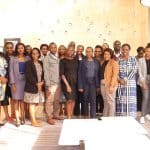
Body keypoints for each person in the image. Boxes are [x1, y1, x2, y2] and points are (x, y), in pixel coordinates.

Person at [9, 43, 30, 127]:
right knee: (16, 101)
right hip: (16, 82)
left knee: (22, 101)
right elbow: (10, 71)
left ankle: (23, 117)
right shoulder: (13, 59)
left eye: (22, 48)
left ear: (24, 49)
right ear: (16, 49)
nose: (20, 49)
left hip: (25, 81)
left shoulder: (27, 58)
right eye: (18, 48)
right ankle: (17, 119)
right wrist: (12, 83)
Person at [24, 48, 44, 127]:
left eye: (37, 53)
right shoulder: (28, 63)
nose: (35, 55)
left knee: (36, 103)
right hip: (32, 86)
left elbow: (43, 73)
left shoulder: (41, 62)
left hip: (40, 86)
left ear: (39, 54)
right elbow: (28, 75)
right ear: (31, 55)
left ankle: (34, 118)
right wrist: (37, 84)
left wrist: (42, 82)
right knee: (32, 103)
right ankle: (33, 121)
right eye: (33, 53)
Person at [43, 42, 63, 125]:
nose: (53, 49)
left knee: (57, 100)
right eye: (52, 47)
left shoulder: (57, 57)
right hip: (51, 83)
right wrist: (47, 84)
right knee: (49, 101)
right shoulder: (47, 58)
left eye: (55, 47)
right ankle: (49, 117)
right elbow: (46, 71)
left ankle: (55, 114)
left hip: (58, 82)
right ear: (49, 49)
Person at [78, 47, 100, 118]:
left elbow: (98, 74)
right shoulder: (82, 62)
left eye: (90, 51)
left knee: (93, 100)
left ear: (92, 52)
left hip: (93, 83)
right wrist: (80, 86)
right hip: (85, 83)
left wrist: (98, 86)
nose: (88, 53)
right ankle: (86, 115)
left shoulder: (96, 61)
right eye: (87, 52)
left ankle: (93, 116)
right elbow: (79, 74)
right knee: (85, 99)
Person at [116, 44, 137, 117]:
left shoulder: (133, 59)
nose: (125, 51)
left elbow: (134, 70)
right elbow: (115, 71)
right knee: (121, 100)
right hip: (120, 83)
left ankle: (131, 117)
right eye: (123, 49)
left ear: (129, 50)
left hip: (130, 84)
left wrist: (125, 79)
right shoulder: (118, 60)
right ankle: (121, 116)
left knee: (130, 101)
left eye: (126, 49)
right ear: (121, 50)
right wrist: (119, 79)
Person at [60, 46, 78, 119]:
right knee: (69, 100)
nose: (70, 52)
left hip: (75, 82)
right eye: (69, 50)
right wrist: (67, 85)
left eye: (72, 50)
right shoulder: (62, 61)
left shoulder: (75, 60)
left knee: (73, 99)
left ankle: (71, 114)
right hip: (67, 82)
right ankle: (68, 116)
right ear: (66, 51)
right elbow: (62, 74)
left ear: (74, 52)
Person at [100, 48, 119, 116]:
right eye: (105, 54)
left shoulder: (114, 62)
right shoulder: (103, 62)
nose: (106, 55)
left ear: (111, 55)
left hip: (110, 85)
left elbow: (115, 75)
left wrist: (111, 86)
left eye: (107, 54)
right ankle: (105, 117)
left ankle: (111, 119)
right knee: (105, 101)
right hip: (103, 84)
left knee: (111, 102)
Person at [138, 45, 150, 123]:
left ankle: (147, 114)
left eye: (149, 51)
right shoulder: (141, 60)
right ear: (144, 52)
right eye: (147, 51)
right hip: (144, 80)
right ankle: (142, 116)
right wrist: (143, 82)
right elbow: (139, 72)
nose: (148, 53)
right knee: (145, 97)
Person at [74, 45, 85, 116]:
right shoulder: (73, 57)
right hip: (75, 80)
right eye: (78, 49)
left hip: (83, 80)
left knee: (83, 97)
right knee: (76, 98)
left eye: (81, 49)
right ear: (76, 49)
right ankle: (76, 113)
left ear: (83, 50)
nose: (79, 50)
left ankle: (84, 112)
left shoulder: (85, 58)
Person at [94, 45, 104, 115]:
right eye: (96, 51)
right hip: (93, 81)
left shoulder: (104, 60)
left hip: (102, 80)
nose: (97, 52)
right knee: (95, 97)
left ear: (101, 52)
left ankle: (101, 111)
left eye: (99, 51)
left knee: (102, 96)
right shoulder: (92, 59)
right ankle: (95, 111)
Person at [0, 52, 8, 125]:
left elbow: (7, 68)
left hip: (3, 82)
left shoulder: (3, 57)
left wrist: (6, 78)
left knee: (2, 99)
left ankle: (2, 118)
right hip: (1, 79)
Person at [58, 45, 67, 115]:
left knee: (66, 93)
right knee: (60, 94)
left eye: (63, 49)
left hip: (66, 77)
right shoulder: (57, 58)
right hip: (58, 78)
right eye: (60, 49)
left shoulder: (67, 58)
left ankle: (66, 109)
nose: (61, 50)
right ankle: (60, 109)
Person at [136, 47, 144, 113]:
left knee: (143, 95)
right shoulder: (135, 59)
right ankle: (138, 109)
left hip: (143, 81)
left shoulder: (145, 59)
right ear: (137, 52)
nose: (141, 55)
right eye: (140, 53)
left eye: (142, 53)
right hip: (136, 80)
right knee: (137, 95)